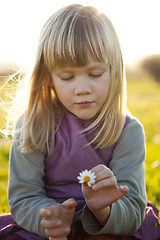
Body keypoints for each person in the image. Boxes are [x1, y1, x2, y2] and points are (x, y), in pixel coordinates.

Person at [0, 4, 159, 240]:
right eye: (67, 77)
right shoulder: (33, 126)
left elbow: (132, 209)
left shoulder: (127, 130)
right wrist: (48, 217)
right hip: (46, 231)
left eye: (95, 74)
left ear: (114, 72)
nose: (82, 89)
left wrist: (103, 209)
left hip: (110, 229)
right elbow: (24, 196)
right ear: (49, 78)